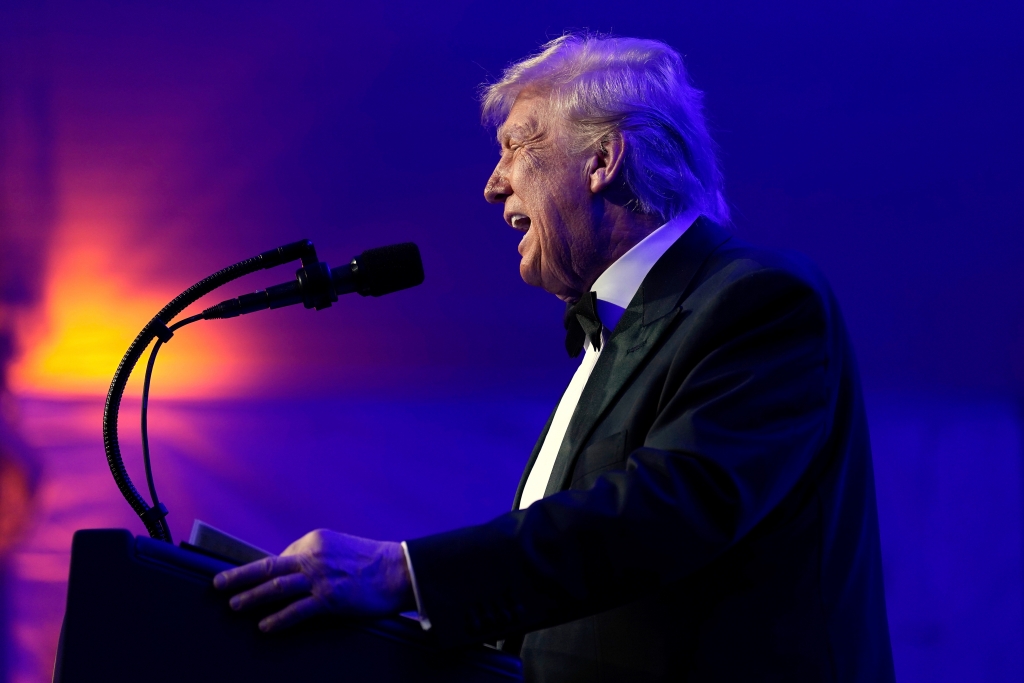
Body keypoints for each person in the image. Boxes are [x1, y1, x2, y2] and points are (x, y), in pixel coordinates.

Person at [214, 34, 895, 682]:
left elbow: (663, 514)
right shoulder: (616, 329)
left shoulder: (760, 298)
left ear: (602, 161)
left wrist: (403, 573)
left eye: (515, 145)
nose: (493, 185)